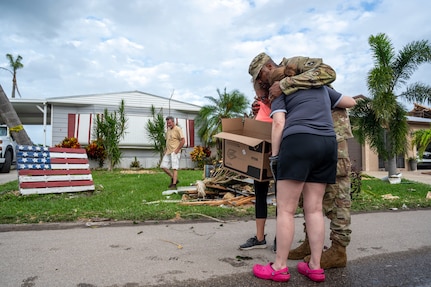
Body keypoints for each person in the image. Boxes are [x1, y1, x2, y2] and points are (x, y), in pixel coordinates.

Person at [249, 52, 356, 283]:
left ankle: (279, 267)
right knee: (314, 209)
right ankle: (315, 267)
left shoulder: (280, 90)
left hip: (298, 141)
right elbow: (348, 101)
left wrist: (275, 157)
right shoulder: (320, 87)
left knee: (286, 210)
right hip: (328, 143)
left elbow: (278, 123)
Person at [240, 55, 338, 251]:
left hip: (299, 140)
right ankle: (309, 258)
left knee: (288, 204)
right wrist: (261, 105)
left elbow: (329, 74)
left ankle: (281, 256)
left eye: (260, 76)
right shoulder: (272, 87)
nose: (261, 81)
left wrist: (286, 84)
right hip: (292, 141)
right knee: (309, 207)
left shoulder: (295, 65)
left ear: (269, 66)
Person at [160, 116, 185, 190]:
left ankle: (174, 184)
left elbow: (183, 140)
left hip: (175, 151)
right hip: (168, 151)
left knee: (174, 168)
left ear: (173, 122)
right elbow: (167, 141)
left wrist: (177, 150)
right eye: (167, 123)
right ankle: (174, 179)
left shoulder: (177, 129)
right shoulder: (168, 130)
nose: (168, 124)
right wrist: (165, 149)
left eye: (170, 123)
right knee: (163, 166)